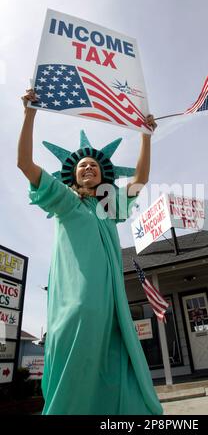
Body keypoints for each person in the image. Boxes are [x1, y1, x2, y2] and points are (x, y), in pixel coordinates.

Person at [17, 89, 163, 415]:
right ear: (72, 174)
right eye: (82, 166)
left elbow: (140, 178)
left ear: (102, 175)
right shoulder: (65, 201)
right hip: (76, 307)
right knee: (74, 367)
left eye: (93, 166)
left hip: (111, 305)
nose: (88, 169)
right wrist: (30, 113)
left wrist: (145, 135)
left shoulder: (110, 206)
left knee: (116, 367)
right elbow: (25, 163)